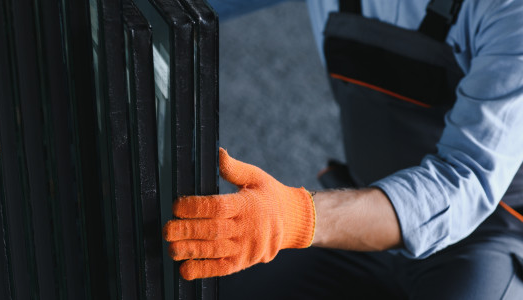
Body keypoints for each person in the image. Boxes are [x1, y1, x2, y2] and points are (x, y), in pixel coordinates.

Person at [163, 0, 523, 298]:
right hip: (360, 214)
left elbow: (462, 180)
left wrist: (297, 217)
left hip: (484, 236)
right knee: (208, 287)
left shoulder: (510, 12)